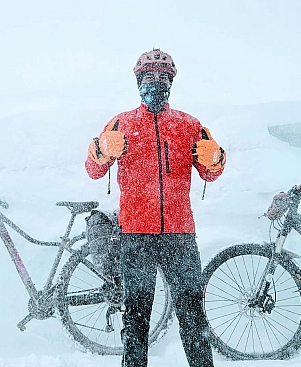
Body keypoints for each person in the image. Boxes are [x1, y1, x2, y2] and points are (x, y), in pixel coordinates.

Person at [85, 49, 226, 367]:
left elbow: (210, 173)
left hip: (180, 236)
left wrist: (215, 157)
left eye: (164, 77)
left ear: (172, 83)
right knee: (136, 321)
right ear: (138, 81)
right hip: (136, 236)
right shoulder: (121, 123)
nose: (157, 83)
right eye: (149, 77)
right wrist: (100, 150)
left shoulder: (189, 125)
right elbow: (94, 170)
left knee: (193, 316)